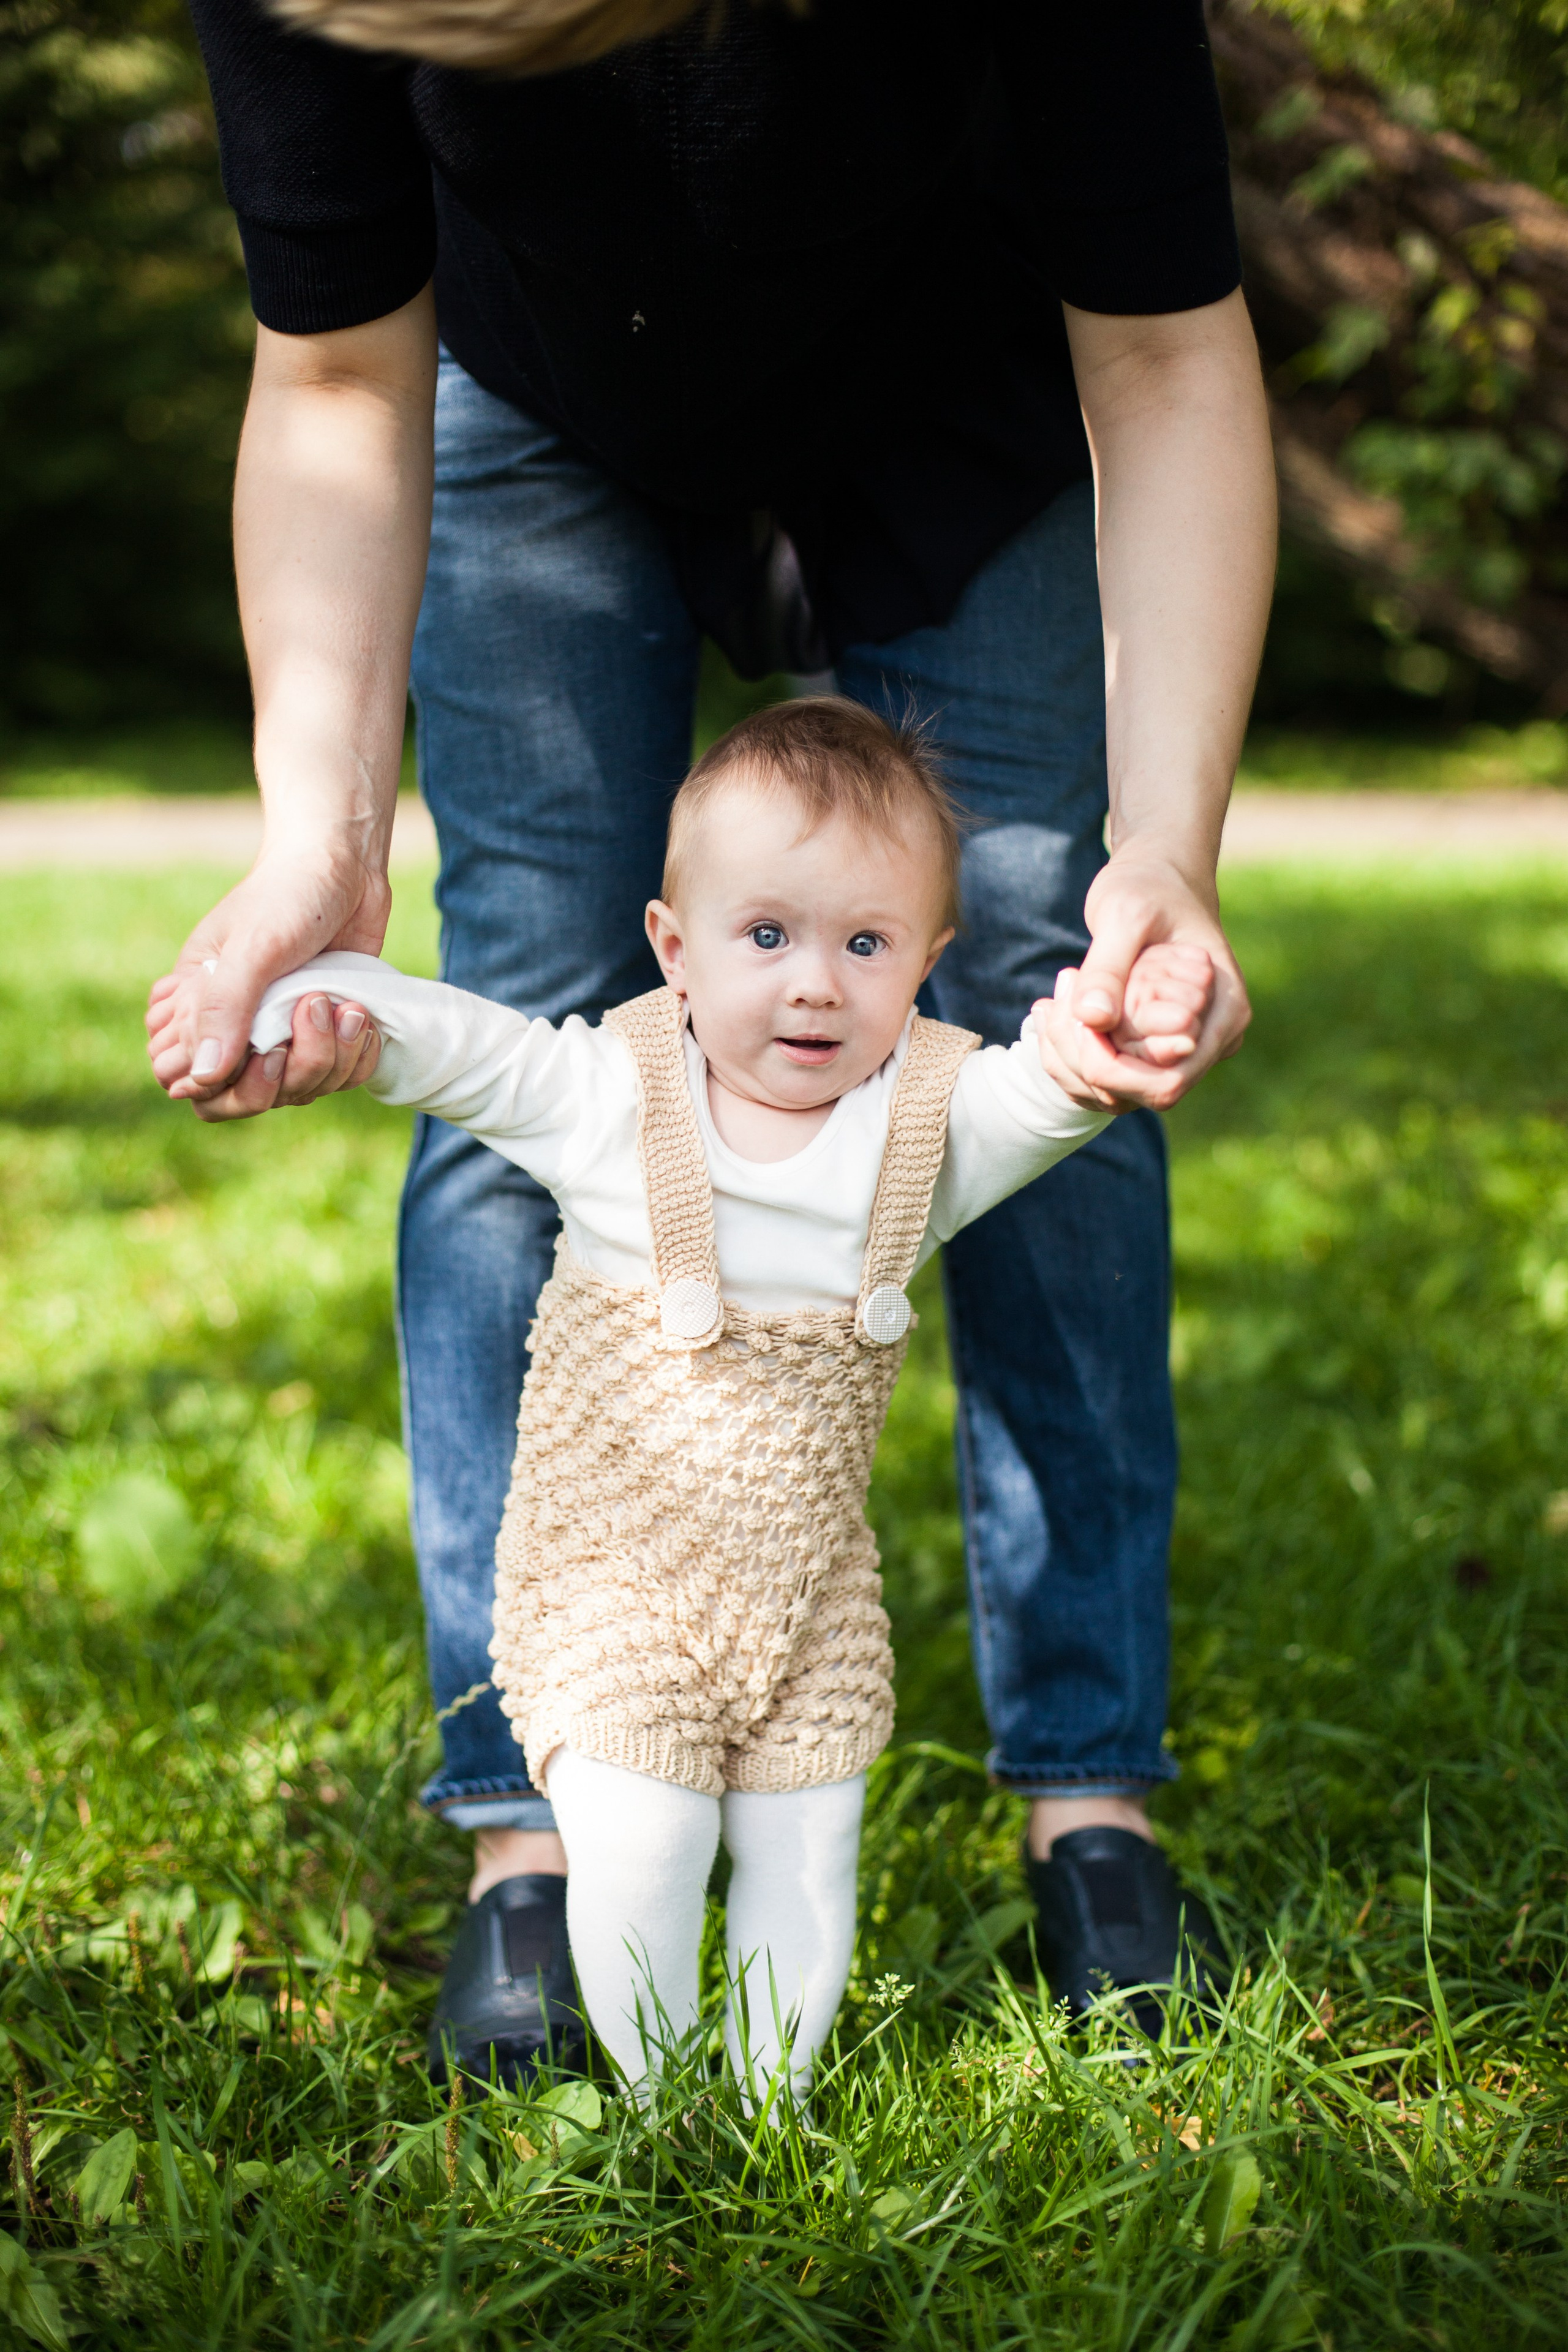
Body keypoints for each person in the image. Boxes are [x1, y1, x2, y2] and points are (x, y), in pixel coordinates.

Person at [151, 0, 1275, 2076]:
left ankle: (1091, 1797)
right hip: (539, 392)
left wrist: (1170, 854)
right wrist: (319, 840)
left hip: (975, 380)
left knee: (1064, 1007)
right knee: (518, 1015)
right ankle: (530, 1829)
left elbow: (1169, 349)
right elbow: (328, 373)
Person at [153, 699, 1219, 2093]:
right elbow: (470, 1049)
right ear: (674, 945)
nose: (814, 986)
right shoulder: (614, 1096)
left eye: (865, 944)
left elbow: (1046, 1096)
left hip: (805, 1594)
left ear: (928, 965)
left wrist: (1101, 1042)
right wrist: (339, 1019)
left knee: (806, 1849)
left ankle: (770, 2108)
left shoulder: (925, 1124)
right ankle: (653, 2100)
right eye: (765, 936)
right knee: (645, 1844)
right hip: (616, 1580)